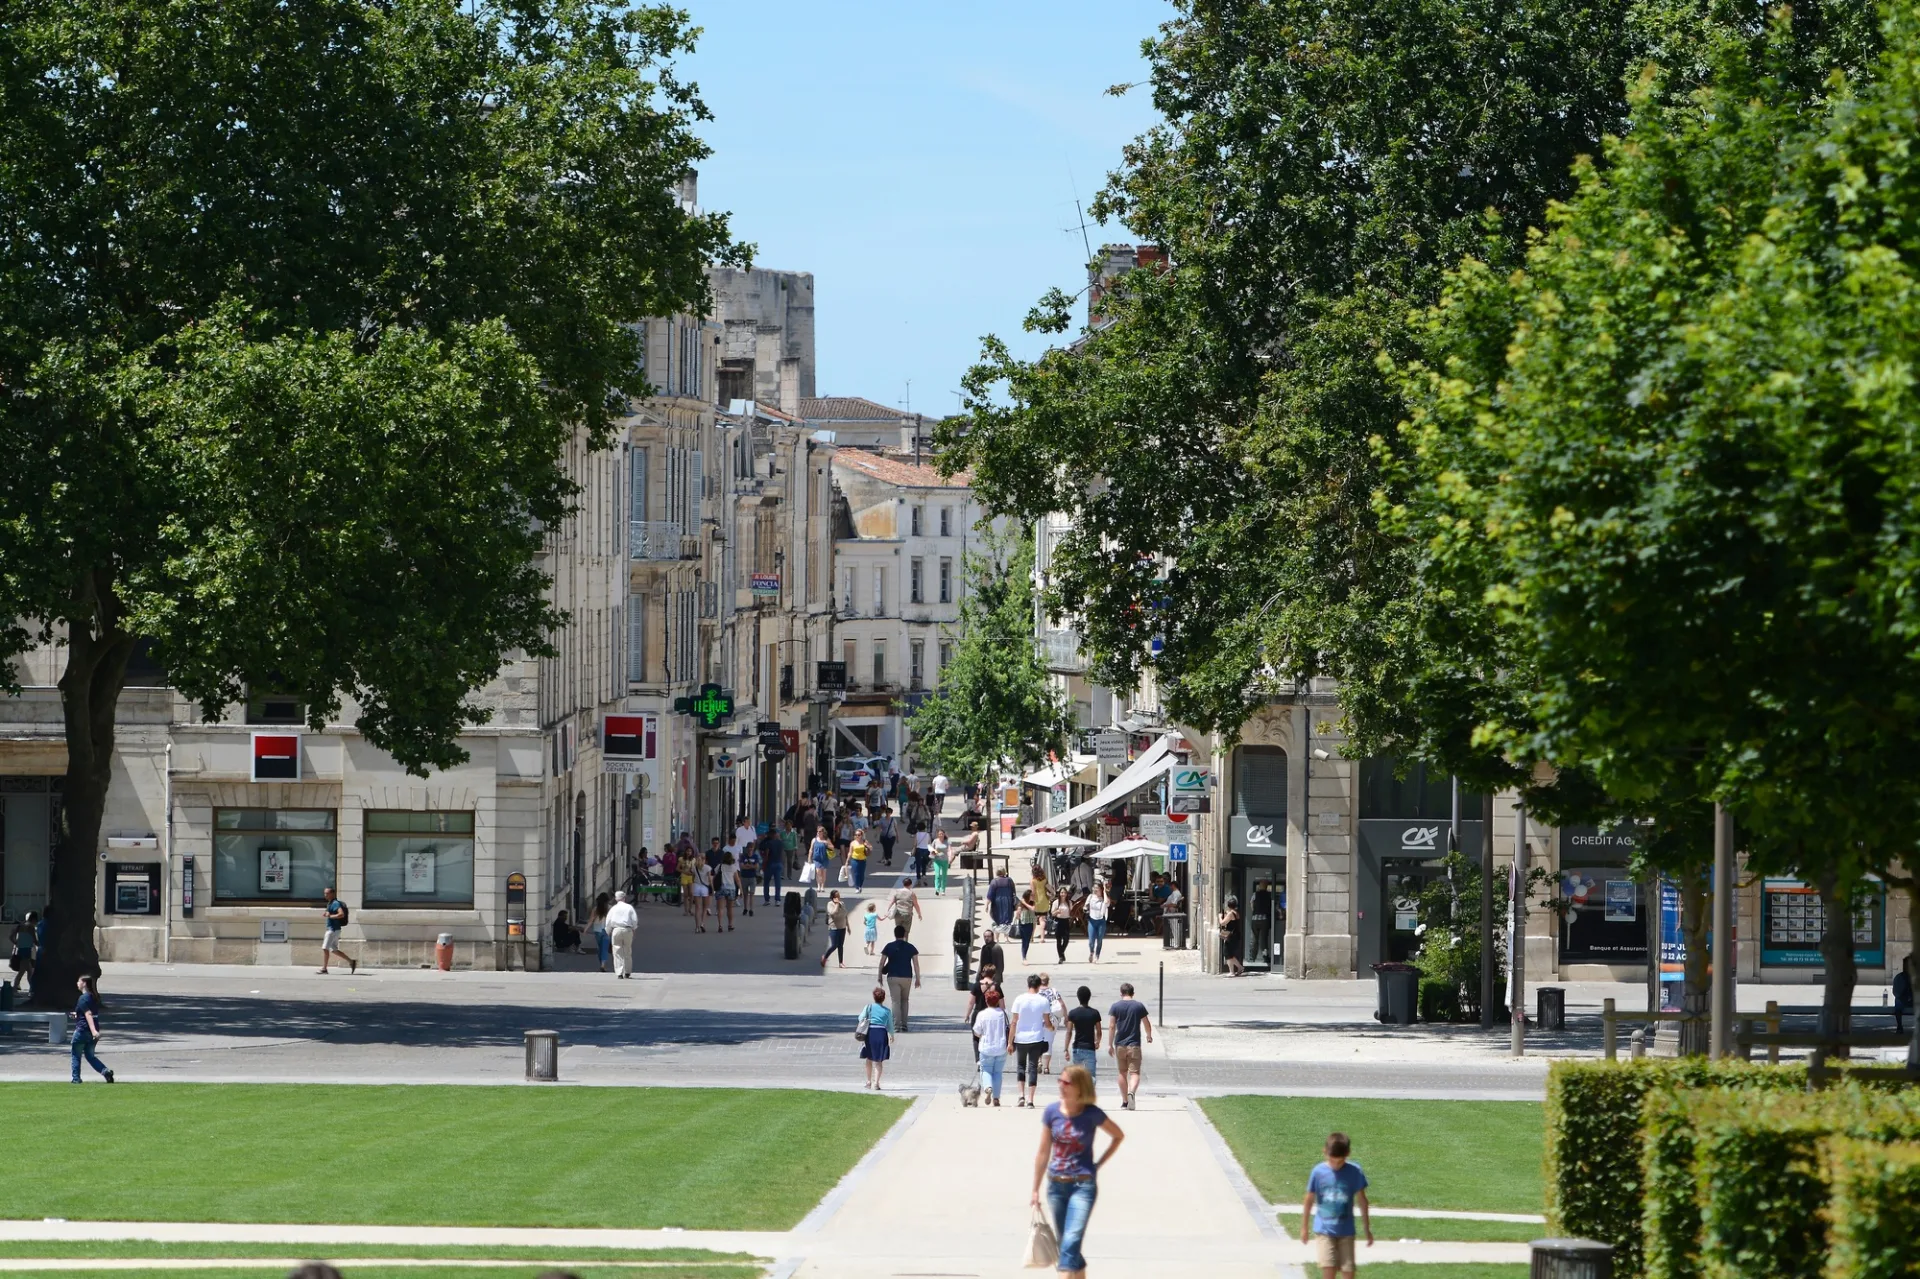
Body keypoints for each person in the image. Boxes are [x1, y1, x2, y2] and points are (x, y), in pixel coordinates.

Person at [1030, 1064, 1124, 1279]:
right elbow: (1043, 1152)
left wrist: (1098, 1164)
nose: (1061, 1086)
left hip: (1083, 1186)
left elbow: (1118, 1136)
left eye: (1067, 1083)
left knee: (1071, 1241)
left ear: (1080, 1088)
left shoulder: (1092, 1114)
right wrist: (1035, 1190)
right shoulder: (1052, 1112)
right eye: (1060, 1081)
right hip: (1056, 1186)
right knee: (1067, 1244)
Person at [1301, 1132, 1373, 1277]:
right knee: (1329, 1268)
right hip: (1324, 1230)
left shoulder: (1355, 1172)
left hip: (1346, 1231)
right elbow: (1308, 1200)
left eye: (1340, 1161)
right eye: (1332, 1160)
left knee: (1348, 1271)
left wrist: (1367, 1228)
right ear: (1325, 1152)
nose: (1335, 1165)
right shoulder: (1318, 1172)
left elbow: (1363, 1201)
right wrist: (1304, 1227)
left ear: (1348, 1154)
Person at [1011, 973, 1055, 1108]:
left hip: (1021, 1038)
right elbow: (1047, 1023)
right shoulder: (1043, 1001)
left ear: (1028, 984)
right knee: (1033, 1067)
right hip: (1036, 1038)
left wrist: (1009, 1041)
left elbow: (1014, 1022)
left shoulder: (1019, 999)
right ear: (1039, 986)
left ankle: (1021, 1096)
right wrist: (1051, 1028)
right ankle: (1030, 1099)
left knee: (1020, 1066)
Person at [1107, 982, 1153, 1110]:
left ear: (1121, 993)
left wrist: (1109, 1044)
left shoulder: (1115, 1007)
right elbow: (1146, 1023)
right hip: (1134, 1044)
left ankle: (1125, 1102)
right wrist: (1149, 1035)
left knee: (1122, 1073)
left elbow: (1111, 1026)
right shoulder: (1138, 1006)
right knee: (1135, 1073)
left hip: (1120, 1044)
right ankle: (1131, 1091)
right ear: (1133, 993)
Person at [70, 974, 113, 1084]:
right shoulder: (93, 997)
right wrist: (77, 1014)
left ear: (84, 983)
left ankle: (76, 1079)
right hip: (92, 1032)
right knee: (90, 1056)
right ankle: (105, 1071)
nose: (77, 983)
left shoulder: (82, 998)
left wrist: (93, 1030)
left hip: (82, 1031)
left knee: (76, 1055)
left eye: (79, 981)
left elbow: (88, 1014)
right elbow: (89, 1013)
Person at [879, 925, 920, 1032]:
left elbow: (882, 962)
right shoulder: (911, 947)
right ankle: (904, 1024)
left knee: (895, 1002)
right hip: (907, 977)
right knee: (905, 1000)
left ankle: (896, 1026)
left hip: (893, 977)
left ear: (895, 934)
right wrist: (918, 979)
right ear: (904, 934)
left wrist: (879, 976)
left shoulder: (889, 946)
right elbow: (916, 964)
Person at [974, 988, 1011, 1107]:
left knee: (986, 1070)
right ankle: (996, 1097)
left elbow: (977, 1031)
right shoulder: (1003, 1013)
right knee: (998, 1073)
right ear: (997, 1001)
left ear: (986, 1001)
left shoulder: (982, 1014)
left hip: (986, 1047)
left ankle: (988, 1087)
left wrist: (980, 1035)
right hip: (1001, 1047)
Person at [858, 985, 894, 1090]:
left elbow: (860, 1018)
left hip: (870, 1033)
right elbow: (890, 1025)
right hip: (881, 1033)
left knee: (869, 1058)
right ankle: (876, 1083)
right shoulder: (887, 1011)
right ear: (883, 998)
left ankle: (869, 1081)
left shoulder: (868, 1007)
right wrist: (891, 1035)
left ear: (874, 997)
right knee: (879, 1060)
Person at [318, 887, 356, 974]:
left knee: (325, 948)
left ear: (332, 894)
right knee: (334, 949)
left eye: (327, 893)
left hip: (333, 929)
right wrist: (328, 914)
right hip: (334, 929)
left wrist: (330, 916)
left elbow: (341, 914)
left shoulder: (335, 903)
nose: (325, 895)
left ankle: (324, 968)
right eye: (324, 893)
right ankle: (351, 962)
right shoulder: (330, 903)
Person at [1067, 985, 1103, 1078]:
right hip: (1090, 1048)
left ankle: (1079, 1092)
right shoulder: (1095, 1013)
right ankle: (1089, 1092)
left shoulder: (1073, 1013)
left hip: (1077, 1047)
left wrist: (1066, 1048)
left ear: (1078, 997)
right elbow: (1099, 1031)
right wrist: (1097, 1042)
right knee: (1091, 1076)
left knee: (1077, 1077)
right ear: (1089, 997)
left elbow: (1069, 1032)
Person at [1039, 972, 1067, 1076]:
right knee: (1048, 1042)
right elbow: (1062, 1004)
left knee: (1038, 1041)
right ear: (1048, 981)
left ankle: (1039, 1062)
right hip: (1052, 1019)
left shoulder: (1036, 992)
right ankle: (1046, 1067)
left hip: (1039, 1020)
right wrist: (1066, 1017)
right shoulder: (1054, 991)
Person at [605, 890, 639, 979]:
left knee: (617, 951)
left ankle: (619, 972)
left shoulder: (613, 908)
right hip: (627, 929)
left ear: (616, 899)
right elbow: (634, 920)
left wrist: (608, 931)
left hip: (616, 930)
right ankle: (627, 972)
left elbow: (608, 921)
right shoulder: (629, 907)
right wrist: (634, 929)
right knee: (627, 951)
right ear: (624, 898)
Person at [9, 912, 38, 999]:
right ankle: (29, 991)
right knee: (26, 972)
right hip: (26, 951)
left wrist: (16, 943)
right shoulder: (31, 927)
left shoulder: (20, 926)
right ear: (33, 919)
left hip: (21, 950)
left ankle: (30, 990)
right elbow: (34, 940)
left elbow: (11, 936)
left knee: (26, 971)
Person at [820, 890, 849, 969]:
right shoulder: (830, 904)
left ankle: (841, 962)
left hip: (842, 927)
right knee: (834, 945)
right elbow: (833, 913)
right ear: (833, 897)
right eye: (836, 896)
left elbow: (845, 915)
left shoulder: (842, 903)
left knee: (840, 946)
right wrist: (836, 904)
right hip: (834, 927)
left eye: (839, 896)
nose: (838, 897)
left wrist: (848, 926)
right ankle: (825, 957)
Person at [1220, 895, 1245, 977]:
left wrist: (1219, 917)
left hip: (1231, 936)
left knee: (1227, 953)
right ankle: (1235, 970)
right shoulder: (1236, 913)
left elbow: (1223, 923)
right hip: (1235, 935)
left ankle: (1237, 969)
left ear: (1228, 905)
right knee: (1229, 954)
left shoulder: (1230, 914)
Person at [585, 892, 611, 972]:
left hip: (597, 930)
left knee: (600, 948)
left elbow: (591, 920)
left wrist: (585, 929)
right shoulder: (610, 908)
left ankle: (601, 964)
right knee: (605, 948)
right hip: (607, 930)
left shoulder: (596, 909)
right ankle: (603, 965)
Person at [1085, 882, 1110, 961]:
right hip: (1092, 920)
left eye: (1097, 888)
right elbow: (1086, 905)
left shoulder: (1104, 899)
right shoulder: (1091, 896)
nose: (1095, 890)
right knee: (1091, 941)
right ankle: (1092, 952)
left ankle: (1097, 955)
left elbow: (1106, 903)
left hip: (1101, 921)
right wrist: (1085, 907)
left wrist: (1105, 891)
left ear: (1100, 889)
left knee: (1099, 939)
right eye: (1094, 888)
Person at [715, 852, 739, 931]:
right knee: (730, 908)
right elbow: (737, 879)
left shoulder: (720, 866)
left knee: (720, 908)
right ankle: (730, 924)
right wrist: (741, 889)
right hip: (731, 888)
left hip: (721, 887)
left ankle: (720, 925)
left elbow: (715, 875)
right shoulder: (733, 867)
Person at [737, 838, 761, 917]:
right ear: (747, 848)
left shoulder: (755, 856)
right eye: (749, 847)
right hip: (744, 877)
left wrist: (748, 866)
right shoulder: (743, 856)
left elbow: (756, 867)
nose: (750, 849)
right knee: (745, 894)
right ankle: (745, 908)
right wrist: (751, 866)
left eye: (751, 847)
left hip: (752, 877)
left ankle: (751, 909)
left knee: (752, 894)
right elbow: (741, 866)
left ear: (753, 848)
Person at [1051, 891, 1074, 964]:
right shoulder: (1056, 902)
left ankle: (1062, 952)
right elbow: (1052, 913)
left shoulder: (1069, 902)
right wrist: (1057, 911)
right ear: (1059, 894)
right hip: (1058, 921)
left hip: (1066, 921)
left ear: (1066, 894)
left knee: (1066, 939)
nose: (1063, 894)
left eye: (1064, 893)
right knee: (1058, 940)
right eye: (1061, 893)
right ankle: (1061, 957)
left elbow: (1071, 912)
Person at [690, 857, 711, 932]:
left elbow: (692, 878)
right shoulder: (708, 867)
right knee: (705, 907)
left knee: (697, 908)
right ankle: (702, 923)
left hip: (696, 886)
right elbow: (709, 878)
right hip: (704, 887)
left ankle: (697, 927)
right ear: (704, 860)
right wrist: (712, 888)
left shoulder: (694, 868)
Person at [1016, 890, 1038, 961]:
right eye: (1031, 895)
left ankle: (1024, 955)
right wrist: (1018, 911)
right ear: (1027, 896)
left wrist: (1024, 903)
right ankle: (1024, 957)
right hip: (1023, 924)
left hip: (1030, 923)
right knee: (1024, 941)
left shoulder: (1032, 903)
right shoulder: (1020, 904)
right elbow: (1018, 916)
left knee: (1028, 941)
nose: (1033, 896)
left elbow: (1033, 909)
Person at [930, 831, 951, 895]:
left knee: (944, 875)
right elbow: (931, 850)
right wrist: (933, 854)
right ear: (937, 835)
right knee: (937, 875)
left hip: (945, 860)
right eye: (939, 834)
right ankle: (937, 889)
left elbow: (950, 850)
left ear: (944, 834)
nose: (941, 835)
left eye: (942, 834)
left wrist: (950, 858)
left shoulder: (947, 841)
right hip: (937, 860)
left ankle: (943, 890)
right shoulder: (935, 841)